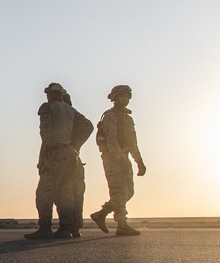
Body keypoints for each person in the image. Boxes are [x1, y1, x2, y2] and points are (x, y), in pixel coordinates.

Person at [25, 83, 81, 240]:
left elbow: (45, 132)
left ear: (50, 94)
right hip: (71, 154)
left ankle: (45, 227)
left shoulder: (47, 107)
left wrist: (48, 151)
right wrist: (74, 144)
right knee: (65, 193)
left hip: (56, 154)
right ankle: (65, 228)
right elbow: (86, 126)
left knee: (44, 192)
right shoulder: (71, 110)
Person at [90, 85, 146, 236]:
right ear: (115, 98)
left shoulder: (127, 118)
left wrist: (139, 162)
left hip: (124, 157)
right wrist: (120, 160)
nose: (125, 99)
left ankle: (101, 214)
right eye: (122, 96)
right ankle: (121, 224)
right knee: (119, 191)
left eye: (127, 96)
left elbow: (132, 143)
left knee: (129, 192)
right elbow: (111, 141)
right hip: (112, 158)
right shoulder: (110, 116)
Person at [63, 93, 95, 237]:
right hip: (63, 159)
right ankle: (70, 227)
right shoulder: (59, 119)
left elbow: (88, 126)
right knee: (69, 194)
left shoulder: (71, 115)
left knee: (72, 193)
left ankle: (72, 227)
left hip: (70, 160)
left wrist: (74, 145)